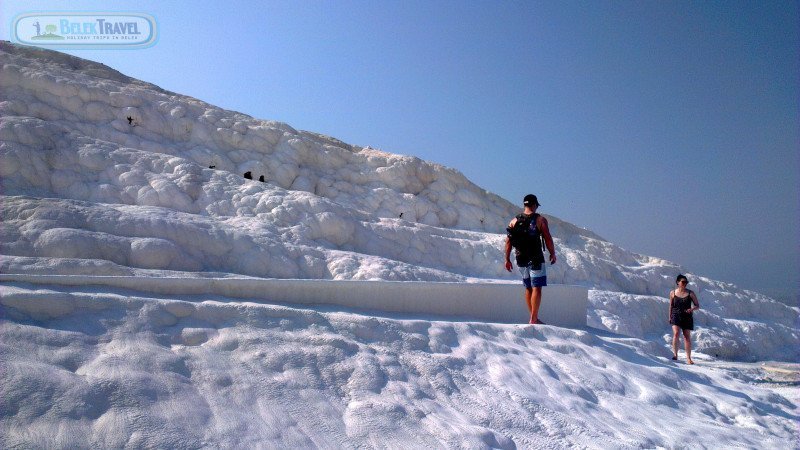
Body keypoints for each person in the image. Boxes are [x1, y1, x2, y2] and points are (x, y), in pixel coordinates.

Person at [504, 194, 556, 324]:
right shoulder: (540, 220)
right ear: (534, 205)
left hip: (520, 257)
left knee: (528, 288)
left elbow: (508, 242)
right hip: (535, 257)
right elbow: (548, 238)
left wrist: (507, 259)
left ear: (524, 205)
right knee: (537, 287)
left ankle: (533, 317)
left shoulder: (514, 221)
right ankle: (534, 318)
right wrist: (552, 253)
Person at [669, 274, 700, 364]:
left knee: (687, 337)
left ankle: (689, 358)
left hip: (687, 316)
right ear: (678, 282)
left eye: (686, 282)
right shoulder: (673, 293)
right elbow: (671, 305)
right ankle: (675, 355)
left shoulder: (690, 293)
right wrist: (669, 316)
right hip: (676, 315)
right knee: (676, 333)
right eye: (683, 282)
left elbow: (697, 305)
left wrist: (692, 309)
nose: (685, 283)